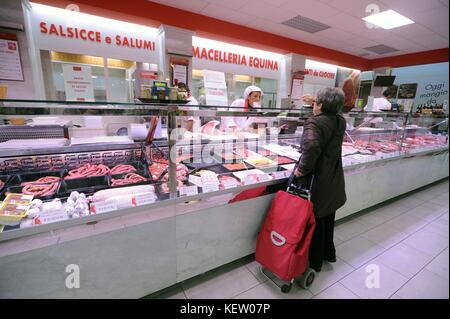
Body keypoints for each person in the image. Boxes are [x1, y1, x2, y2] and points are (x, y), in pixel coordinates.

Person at [294, 87, 347, 272]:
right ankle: (328, 253)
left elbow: (312, 148)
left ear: (321, 105)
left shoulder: (314, 123)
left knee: (315, 220)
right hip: (333, 176)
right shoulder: (340, 121)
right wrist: (316, 104)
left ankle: (314, 262)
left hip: (317, 179)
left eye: (316, 102)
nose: (313, 105)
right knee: (328, 215)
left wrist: (301, 170)